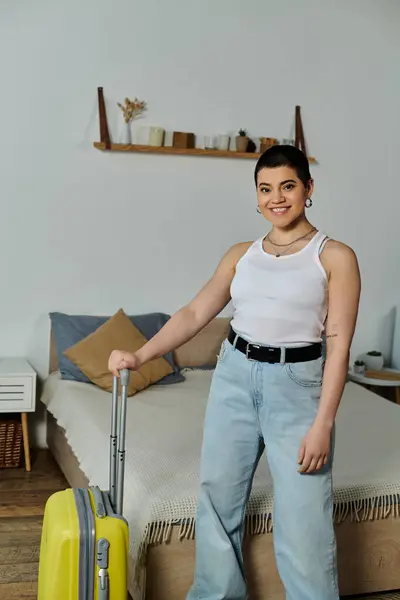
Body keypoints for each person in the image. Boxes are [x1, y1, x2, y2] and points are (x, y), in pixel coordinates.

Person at [108, 145, 361, 600]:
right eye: (265, 189)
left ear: (308, 188)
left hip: (297, 385)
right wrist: (140, 355)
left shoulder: (334, 256)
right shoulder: (241, 254)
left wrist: (323, 422)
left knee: (303, 515)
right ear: (256, 196)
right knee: (217, 499)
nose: (276, 198)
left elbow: (339, 344)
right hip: (234, 376)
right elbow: (194, 312)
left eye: (287, 186)